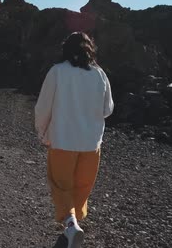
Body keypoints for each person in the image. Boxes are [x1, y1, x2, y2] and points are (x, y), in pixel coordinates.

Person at [34, 32, 114, 248]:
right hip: (91, 144)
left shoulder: (58, 72)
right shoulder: (100, 74)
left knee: (61, 185)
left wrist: (42, 132)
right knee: (82, 186)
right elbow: (108, 109)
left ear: (66, 49)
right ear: (90, 49)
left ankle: (71, 226)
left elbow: (43, 107)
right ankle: (74, 224)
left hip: (63, 140)